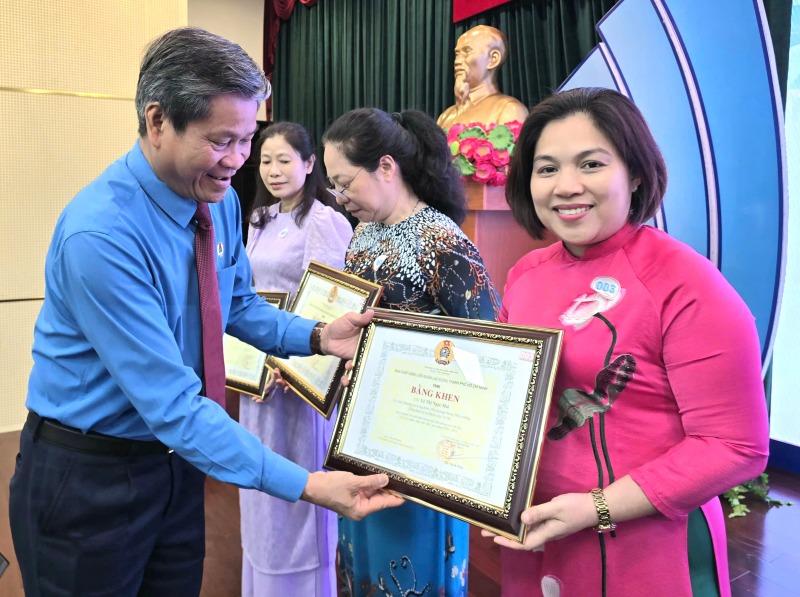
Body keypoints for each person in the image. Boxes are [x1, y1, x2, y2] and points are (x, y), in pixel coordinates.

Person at [8, 27, 402, 597]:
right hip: (88, 476)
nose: (238, 160)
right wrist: (308, 484)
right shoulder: (103, 235)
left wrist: (316, 335)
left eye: (248, 139)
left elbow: (236, 303)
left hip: (172, 465)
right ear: (157, 121)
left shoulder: (216, 201)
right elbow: (172, 403)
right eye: (222, 140)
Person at [489, 87, 769, 596]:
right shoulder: (526, 274)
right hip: (537, 532)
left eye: (591, 164)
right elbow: (507, 392)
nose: (566, 186)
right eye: (546, 169)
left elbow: (735, 447)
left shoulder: (685, 282)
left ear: (634, 173)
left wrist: (596, 507)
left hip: (646, 542)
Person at [323, 107, 501, 596]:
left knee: (413, 562)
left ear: (386, 167)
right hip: (365, 425)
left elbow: (488, 347)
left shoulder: (442, 241)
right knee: (362, 551)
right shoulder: (363, 235)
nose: (338, 199)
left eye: (344, 183)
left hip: (425, 432)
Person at [238, 121, 353, 597]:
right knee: (258, 478)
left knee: (299, 481)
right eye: (265, 160)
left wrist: (303, 366)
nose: (273, 170)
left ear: (310, 165)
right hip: (256, 373)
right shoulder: (260, 218)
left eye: (285, 160)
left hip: (297, 377)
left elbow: (331, 302)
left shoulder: (323, 221)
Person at [437, 25, 529, 130]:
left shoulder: (509, 110)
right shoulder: (445, 117)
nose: (457, 61)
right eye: (457, 54)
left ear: (493, 59)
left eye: (467, 52)